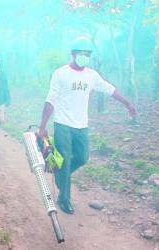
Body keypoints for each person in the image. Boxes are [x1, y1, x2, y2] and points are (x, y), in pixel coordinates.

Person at [38, 37, 136, 214]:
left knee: (82, 158)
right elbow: (50, 99)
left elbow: (109, 89)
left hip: (81, 125)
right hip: (62, 124)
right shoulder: (60, 74)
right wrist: (42, 126)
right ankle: (64, 198)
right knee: (66, 159)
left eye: (88, 54)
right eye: (82, 53)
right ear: (73, 54)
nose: (85, 56)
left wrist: (127, 102)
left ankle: (61, 175)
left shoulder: (91, 75)